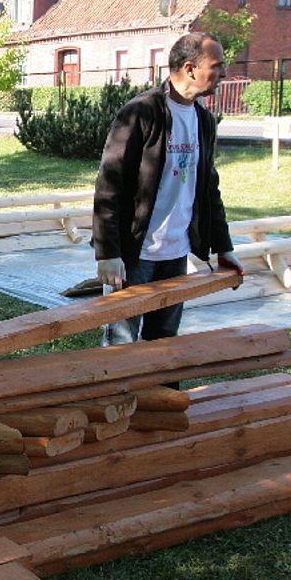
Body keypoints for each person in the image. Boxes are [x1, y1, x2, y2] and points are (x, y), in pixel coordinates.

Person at [94, 32, 244, 346]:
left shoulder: (204, 120)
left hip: (176, 254)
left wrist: (223, 247)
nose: (225, 74)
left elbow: (208, 188)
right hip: (135, 256)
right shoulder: (141, 112)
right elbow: (109, 185)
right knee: (120, 344)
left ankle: (159, 397)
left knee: (164, 344)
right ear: (190, 69)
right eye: (217, 66)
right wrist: (108, 253)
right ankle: (118, 398)